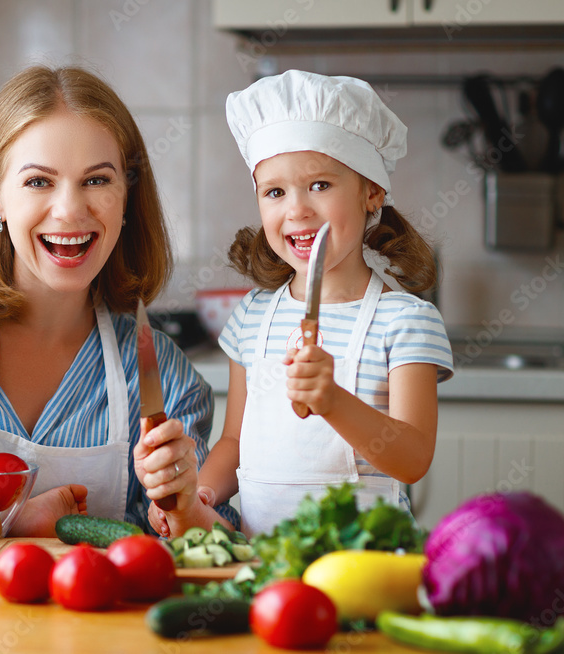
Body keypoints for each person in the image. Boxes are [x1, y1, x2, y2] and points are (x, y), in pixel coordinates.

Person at [0, 65, 236, 535]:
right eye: (38, 181)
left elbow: (200, 550)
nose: (70, 210)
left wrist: (183, 511)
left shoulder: (166, 379)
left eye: (97, 180)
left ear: (127, 198)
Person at [149, 70, 454, 539]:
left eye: (319, 185)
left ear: (371, 191)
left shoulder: (405, 321)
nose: (296, 210)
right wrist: (203, 495)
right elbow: (234, 442)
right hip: (260, 564)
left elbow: (412, 459)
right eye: (275, 192)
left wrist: (331, 401)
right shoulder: (251, 317)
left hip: (362, 570)